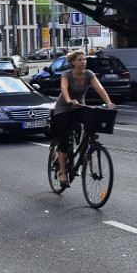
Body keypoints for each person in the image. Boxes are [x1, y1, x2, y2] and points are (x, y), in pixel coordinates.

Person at [51, 49, 115, 188]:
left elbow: (100, 88)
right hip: (64, 107)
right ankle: (62, 172)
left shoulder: (89, 74)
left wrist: (109, 102)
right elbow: (64, 89)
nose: (83, 62)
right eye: (80, 60)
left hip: (80, 106)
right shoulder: (67, 74)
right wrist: (69, 101)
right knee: (64, 138)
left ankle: (82, 152)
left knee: (91, 125)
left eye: (84, 59)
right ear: (73, 62)